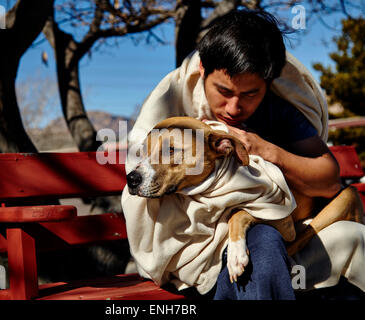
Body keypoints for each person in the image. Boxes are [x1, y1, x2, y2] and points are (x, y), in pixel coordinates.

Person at [122, 9, 365, 299]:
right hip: (197, 244)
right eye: (223, 91)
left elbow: (329, 182)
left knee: (265, 242)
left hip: (272, 231)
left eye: (250, 94)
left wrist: (267, 150)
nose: (235, 108)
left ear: (269, 83)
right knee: (263, 243)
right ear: (202, 69)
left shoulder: (278, 110)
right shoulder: (173, 106)